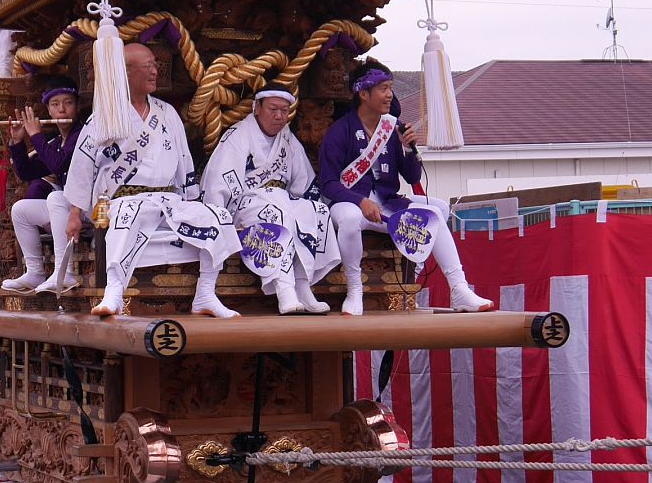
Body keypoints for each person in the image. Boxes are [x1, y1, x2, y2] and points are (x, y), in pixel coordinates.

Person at [64, 42, 241, 317]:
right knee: (127, 214)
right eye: (148, 66)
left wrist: (193, 202)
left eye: (155, 65)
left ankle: (206, 293)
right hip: (120, 200)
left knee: (218, 216)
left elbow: (184, 161)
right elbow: (82, 167)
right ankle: (114, 291)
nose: (155, 71)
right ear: (126, 72)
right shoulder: (105, 117)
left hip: (167, 200)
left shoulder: (167, 113)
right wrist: (75, 214)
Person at [319, 60, 493, 315]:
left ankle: (458, 288)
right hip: (349, 205)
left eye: (390, 87)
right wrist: (360, 201)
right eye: (383, 88)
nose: (389, 94)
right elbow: (328, 183)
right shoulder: (340, 131)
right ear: (363, 94)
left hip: (387, 204)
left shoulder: (392, 128)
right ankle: (355, 290)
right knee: (349, 217)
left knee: (435, 213)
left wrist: (407, 148)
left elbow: (411, 176)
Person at [201, 86, 340, 314]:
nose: (279, 116)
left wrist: (309, 204)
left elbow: (303, 181)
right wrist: (220, 220)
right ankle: (284, 290)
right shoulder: (238, 135)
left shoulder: (286, 137)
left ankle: (303, 284)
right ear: (257, 108)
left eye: (284, 111)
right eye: (273, 109)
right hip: (245, 205)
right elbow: (220, 182)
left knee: (315, 210)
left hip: (281, 200)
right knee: (277, 208)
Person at [3, 76, 83, 294]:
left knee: (56, 197)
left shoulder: (82, 135)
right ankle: (35, 272)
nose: (62, 110)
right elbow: (27, 172)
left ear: (77, 106)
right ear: (48, 110)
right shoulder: (56, 142)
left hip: (90, 206)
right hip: (67, 207)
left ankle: (64, 272)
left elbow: (58, 163)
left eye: (68, 103)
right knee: (20, 209)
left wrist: (36, 135)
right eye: (55, 104)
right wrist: (18, 142)